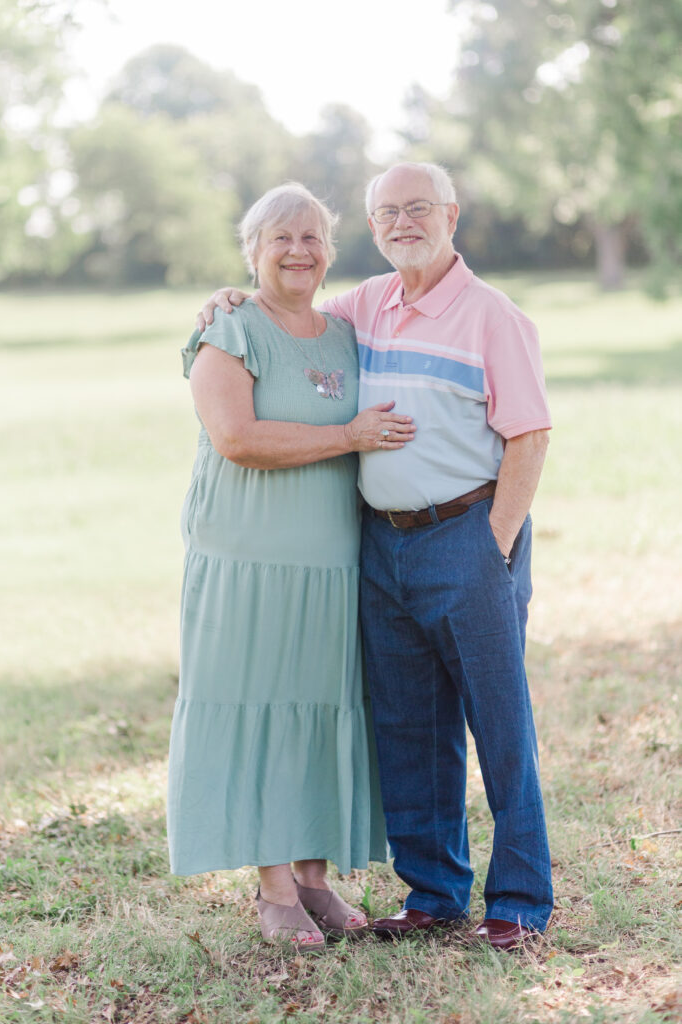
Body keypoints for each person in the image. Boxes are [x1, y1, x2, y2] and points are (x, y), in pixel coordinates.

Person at [199, 162, 554, 950]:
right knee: (408, 725)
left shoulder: (495, 317)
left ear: (450, 215)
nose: (400, 222)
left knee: (498, 725)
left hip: (466, 535)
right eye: (384, 211)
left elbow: (529, 434)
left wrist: (489, 546)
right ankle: (433, 892)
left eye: (417, 207)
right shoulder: (364, 306)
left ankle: (521, 900)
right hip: (381, 543)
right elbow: (287, 309)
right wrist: (228, 300)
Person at [167, 182, 416, 952]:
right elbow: (238, 438)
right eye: (280, 237)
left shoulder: (342, 332)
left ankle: (312, 876)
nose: (298, 250)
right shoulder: (229, 330)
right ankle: (273, 884)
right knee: (257, 710)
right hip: (247, 561)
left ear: (330, 252)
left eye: (311, 237)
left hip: (331, 562)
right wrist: (349, 437)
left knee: (318, 712)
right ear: (252, 250)